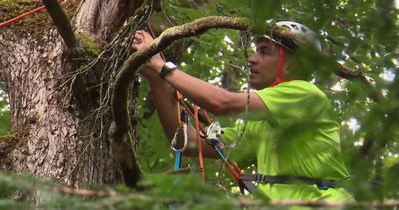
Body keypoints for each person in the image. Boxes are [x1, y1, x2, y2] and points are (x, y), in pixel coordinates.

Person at [131, 21, 354, 201]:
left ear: (292, 63)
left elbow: (223, 103)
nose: (252, 59)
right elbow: (186, 141)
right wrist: (155, 77)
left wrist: (163, 67)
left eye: (264, 52)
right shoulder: (262, 126)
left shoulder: (305, 94)